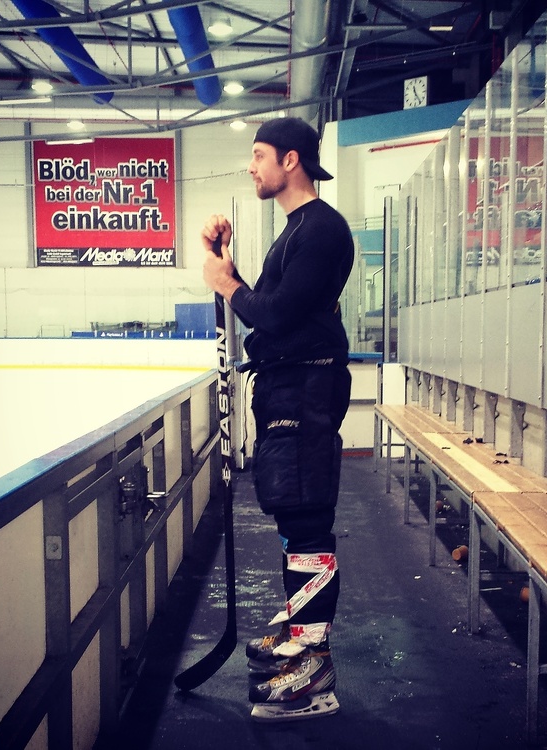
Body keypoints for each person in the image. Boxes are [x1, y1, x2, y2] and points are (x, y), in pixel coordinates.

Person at [201, 117, 354, 722]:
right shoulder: (296, 231)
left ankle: (313, 668)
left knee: (307, 516)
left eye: (259, 154)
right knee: (294, 512)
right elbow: (268, 306)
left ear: (291, 160)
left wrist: (227, 284)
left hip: (305, 390)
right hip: (289, 389)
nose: (251, 165)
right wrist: (229, 267)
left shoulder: (321, 229)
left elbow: (276, 315)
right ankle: (302, 636)